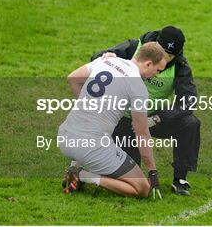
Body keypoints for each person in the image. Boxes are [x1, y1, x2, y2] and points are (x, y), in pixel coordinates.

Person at [91, 25, 200, 196]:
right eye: (162, 54)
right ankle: (84, 169)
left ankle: (180, 179)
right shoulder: (134, 47)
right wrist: (107, 58)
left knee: (190, 123)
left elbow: (189, 101)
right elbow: (96, 58)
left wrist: (157, 118)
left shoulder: (180, 66)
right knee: (130, 179)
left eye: (170, 56)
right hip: (123, 118)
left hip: (150, 119)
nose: (164, 61)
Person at [59, 42, 167, 198]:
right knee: (142, 188)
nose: (156, 75)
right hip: (91, 147)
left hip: (65, 137)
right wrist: (152, 170)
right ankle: (83, 175)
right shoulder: (138, 87)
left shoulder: (107, 60)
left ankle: (77, 166)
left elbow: (73, 78)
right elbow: (142, 134)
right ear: (149, 63)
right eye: (157, 70)